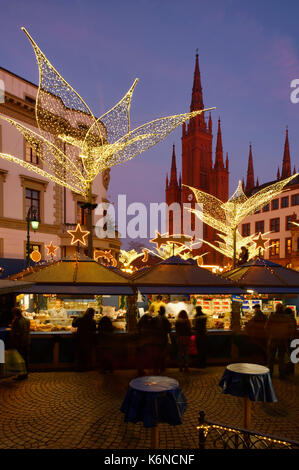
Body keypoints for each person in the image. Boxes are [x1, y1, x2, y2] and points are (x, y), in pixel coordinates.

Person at [265, 303, 297, 379]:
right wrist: (287, 336)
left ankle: (270, 374)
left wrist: (271, 334)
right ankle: (281, 374)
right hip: (282, 340)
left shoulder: (272, 317)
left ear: (276, 308)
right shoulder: (286, 318)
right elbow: (291, 328)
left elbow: (266, 328)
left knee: (271, 357)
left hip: (273, 339)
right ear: (282, 309)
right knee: (281, 358)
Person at [10, 307, 30, 380]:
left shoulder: (16, 321)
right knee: (25, 358)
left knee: (20, 359)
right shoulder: (27, 320)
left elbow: (18, 333)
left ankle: (21, 375)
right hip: (26, 341)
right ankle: (26, 373)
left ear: (15, 313)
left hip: (20, 342)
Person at [152, 306, 171, 373]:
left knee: (156, 353)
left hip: (156, 338)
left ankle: (156, 367)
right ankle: (162, 367)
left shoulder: (155, 318)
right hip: (163, 338)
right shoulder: (165, 319)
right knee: (162, 353)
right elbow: (169, 329)